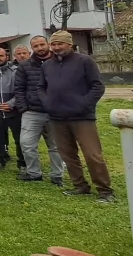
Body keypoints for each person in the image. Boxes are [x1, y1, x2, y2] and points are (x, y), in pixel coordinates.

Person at [38, 30, 113, 203]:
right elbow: (40, 87)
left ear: (69, 44)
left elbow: (97, 86)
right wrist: (47, 102)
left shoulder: (85, 61)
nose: (56, 48)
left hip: (82, 117)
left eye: (60, 44)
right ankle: (80, 186)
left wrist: (84, 104)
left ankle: (105, 190)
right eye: (54, 44)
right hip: (57, 118)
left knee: (92, 154)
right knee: (68, 154)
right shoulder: (47, 65)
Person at [14, 35, 64, 186]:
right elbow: (19, 89)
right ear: (32, 49)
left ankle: (57, 175)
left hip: (56, 112)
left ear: (48, 44)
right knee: (27, 144)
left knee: (55, 146)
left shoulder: (60, 62)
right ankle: (34, 173)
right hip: (32, 111)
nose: (40, 48)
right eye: (36, 46)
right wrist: (24, 108)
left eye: (42, 44)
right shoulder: (24, 66)